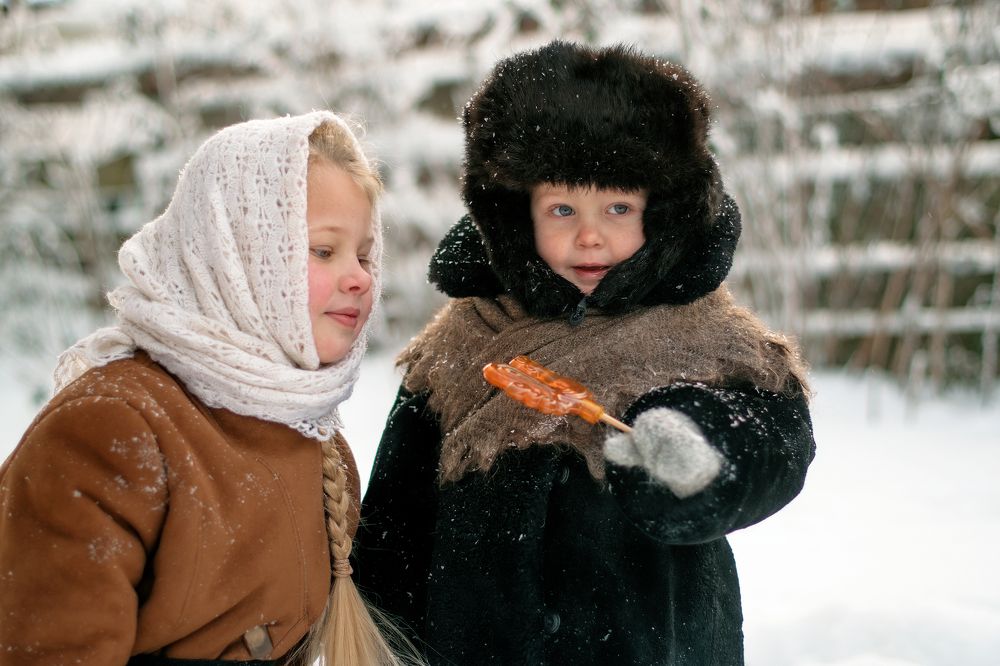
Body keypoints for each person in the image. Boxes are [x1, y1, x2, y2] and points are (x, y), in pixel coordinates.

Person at [354, 40, 816, 665]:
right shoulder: (464, 341)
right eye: (563, 208)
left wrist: (703, 450)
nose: (590, 234)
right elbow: (395, 521)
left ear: (663, 213)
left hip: (660, 645)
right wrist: (387, 638)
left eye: (619, 207)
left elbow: (778, 447)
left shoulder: (707, 340)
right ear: (517, 215)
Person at [0, 112, 409, 665]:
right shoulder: (114, 429)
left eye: (364, 254)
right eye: (323, 250)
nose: (361, 277)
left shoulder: (318, 443)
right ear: (237, 253)